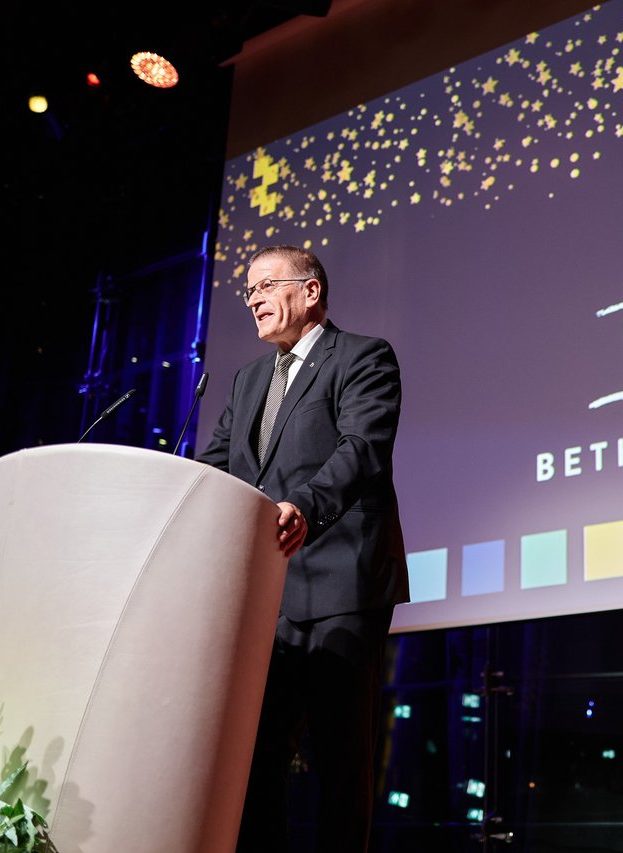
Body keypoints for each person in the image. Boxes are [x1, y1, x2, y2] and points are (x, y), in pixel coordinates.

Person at [198, 244, 409, 852]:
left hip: (342, 583)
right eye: (248, 291)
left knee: (340, 758)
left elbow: (361, 450)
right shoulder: (248, 379)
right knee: (256, 754)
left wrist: (305, 507)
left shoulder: (363, 357)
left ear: (310, 291)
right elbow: (217, 468)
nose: (253, 300)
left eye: (266, 286)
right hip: (267, 596)